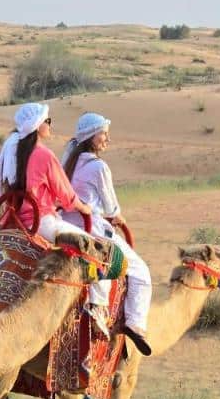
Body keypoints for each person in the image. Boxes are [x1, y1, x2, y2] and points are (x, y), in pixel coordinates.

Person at [0, 102, 152, 356]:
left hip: (16, 220)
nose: (50, 125)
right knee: (102, 255)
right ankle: (98, 306)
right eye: (48, 121)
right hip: (45, 221)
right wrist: (85, 208)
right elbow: (67, 197)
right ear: (38, 126)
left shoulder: (17, 150)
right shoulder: (47, 156)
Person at [60, 113, 153, 351]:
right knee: (141, 273)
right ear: (91, 137)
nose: (107, 139)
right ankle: (134, 324)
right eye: (103, 134)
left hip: (64, 227)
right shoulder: (98, 167)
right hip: (92, 230)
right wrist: (119, 217)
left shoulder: (68, 160)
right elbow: (111, 208)